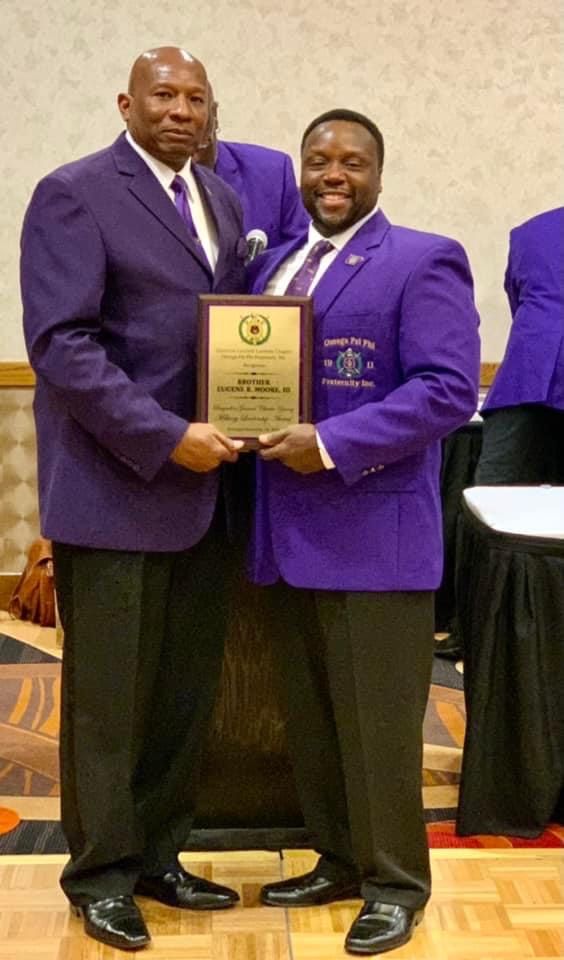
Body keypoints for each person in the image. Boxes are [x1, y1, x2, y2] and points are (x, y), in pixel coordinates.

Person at [20, 46, 247, 951]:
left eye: (197, 96)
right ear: (127, 102)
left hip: (209, 494)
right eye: (165, 95)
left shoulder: (221, 200)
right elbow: (63, 345)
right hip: (117, 490)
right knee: (110, 701)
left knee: (183, 694)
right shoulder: (73, 192)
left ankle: (159, 854)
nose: (182, 110)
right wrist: (165, 436)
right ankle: (101, 875)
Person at [246, 109, 480, 955]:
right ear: (300, 173)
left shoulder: (422, 259)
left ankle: (395, 883)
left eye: (350, 160)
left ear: (379, 172)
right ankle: (339, 857)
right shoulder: (275, 267)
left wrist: (333, 444)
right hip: (282, 534)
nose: (332, 173)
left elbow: (449, 391)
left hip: (374, 539)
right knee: (312, 719)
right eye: (318, 160)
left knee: (379, 726)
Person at [475, 206, 564, 484]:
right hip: (531, 375)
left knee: (492, 505)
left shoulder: (529, 230)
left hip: (525, 376)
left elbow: (518, 298)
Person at [196, 88, 309, 247]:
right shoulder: (149, 185)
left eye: (195, 101)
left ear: (214, 114)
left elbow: (302, 251)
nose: (183, 112)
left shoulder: (272, 172)